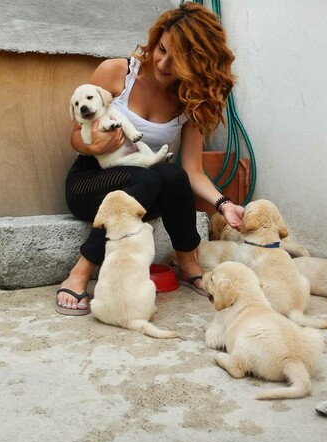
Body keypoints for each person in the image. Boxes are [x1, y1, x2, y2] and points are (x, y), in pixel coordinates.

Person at [56, 2, 244, 315]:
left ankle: (188, 261)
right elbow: (75, 135)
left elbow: (192, 171)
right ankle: (81, 271)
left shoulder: (190, 101)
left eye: (177, 58)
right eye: (162, 49)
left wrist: (224, 205)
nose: (163, 63)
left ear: (195, 62)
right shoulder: (117, 72)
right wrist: (94, 146)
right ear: (156, 40)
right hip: (91, 182)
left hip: (145, 186)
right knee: (151, 176)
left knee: (170, 175)